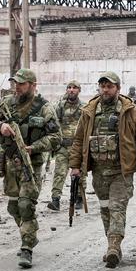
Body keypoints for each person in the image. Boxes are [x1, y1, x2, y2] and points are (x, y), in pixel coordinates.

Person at [68, 72, 136, 268]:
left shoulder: (130, 111)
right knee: (106, 208)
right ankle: (112, 244)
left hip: (121, 171)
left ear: (118, 88)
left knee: (117, 207)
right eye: (103, 86)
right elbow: (79, 140)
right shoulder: (89, 110)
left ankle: (114, 247)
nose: (105, 90)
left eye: (110, 86)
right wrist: (75, 166)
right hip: (99, 171)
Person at [0, 68, 61, 269]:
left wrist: (33, 147)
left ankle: (27, 247)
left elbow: (56, 137)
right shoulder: (7, 103)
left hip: (31, 164)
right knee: (13, 207)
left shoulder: (45, 108)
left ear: (33, 85)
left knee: (26, 205)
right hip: (10, 163)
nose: (17, 87)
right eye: (15, 84)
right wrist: (0, 126)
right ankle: (29, 234)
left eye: (21, 83)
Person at [47, 80, 86, 211]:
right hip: (63, 146)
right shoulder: (60, 106)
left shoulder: (83, 108)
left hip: (77, 147)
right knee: (59, 172)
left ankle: (79, 197)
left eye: (74, 88)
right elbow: (53, 122)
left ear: (79, 90)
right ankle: (55, 200)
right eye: (69, 87)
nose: (71, 90)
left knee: (79, 173)